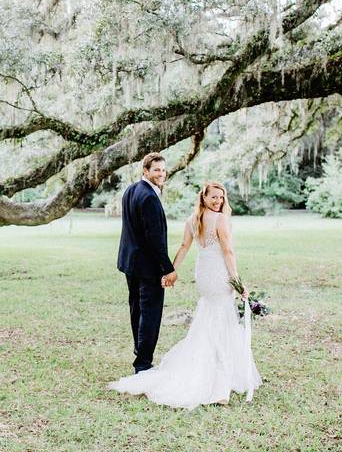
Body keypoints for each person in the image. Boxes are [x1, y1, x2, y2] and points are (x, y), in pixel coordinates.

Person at [109, 181, 261, 409]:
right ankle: (219, 383)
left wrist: (170, 270)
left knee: (211, 317)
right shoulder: (220, 220)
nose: (218, 201)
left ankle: (218, 371)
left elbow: (183, 247)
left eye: (221, 197)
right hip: (219, 275)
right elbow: (228, 251)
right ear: (204, 198)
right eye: (214, 197)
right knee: (221, 320)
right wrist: (237, 282)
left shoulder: (192, 220)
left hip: (204, 275)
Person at [115, 152, 177, 375]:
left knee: (137, 310)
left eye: (163, 169)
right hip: (147, 267)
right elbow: (154, 238)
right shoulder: (149, 196)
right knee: (150, 313)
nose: (161, 174)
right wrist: (168, 269)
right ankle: (143, 363)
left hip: (130, 263)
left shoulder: (132, 190)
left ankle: (139, 351)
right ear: (145, 171)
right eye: (156, 170)